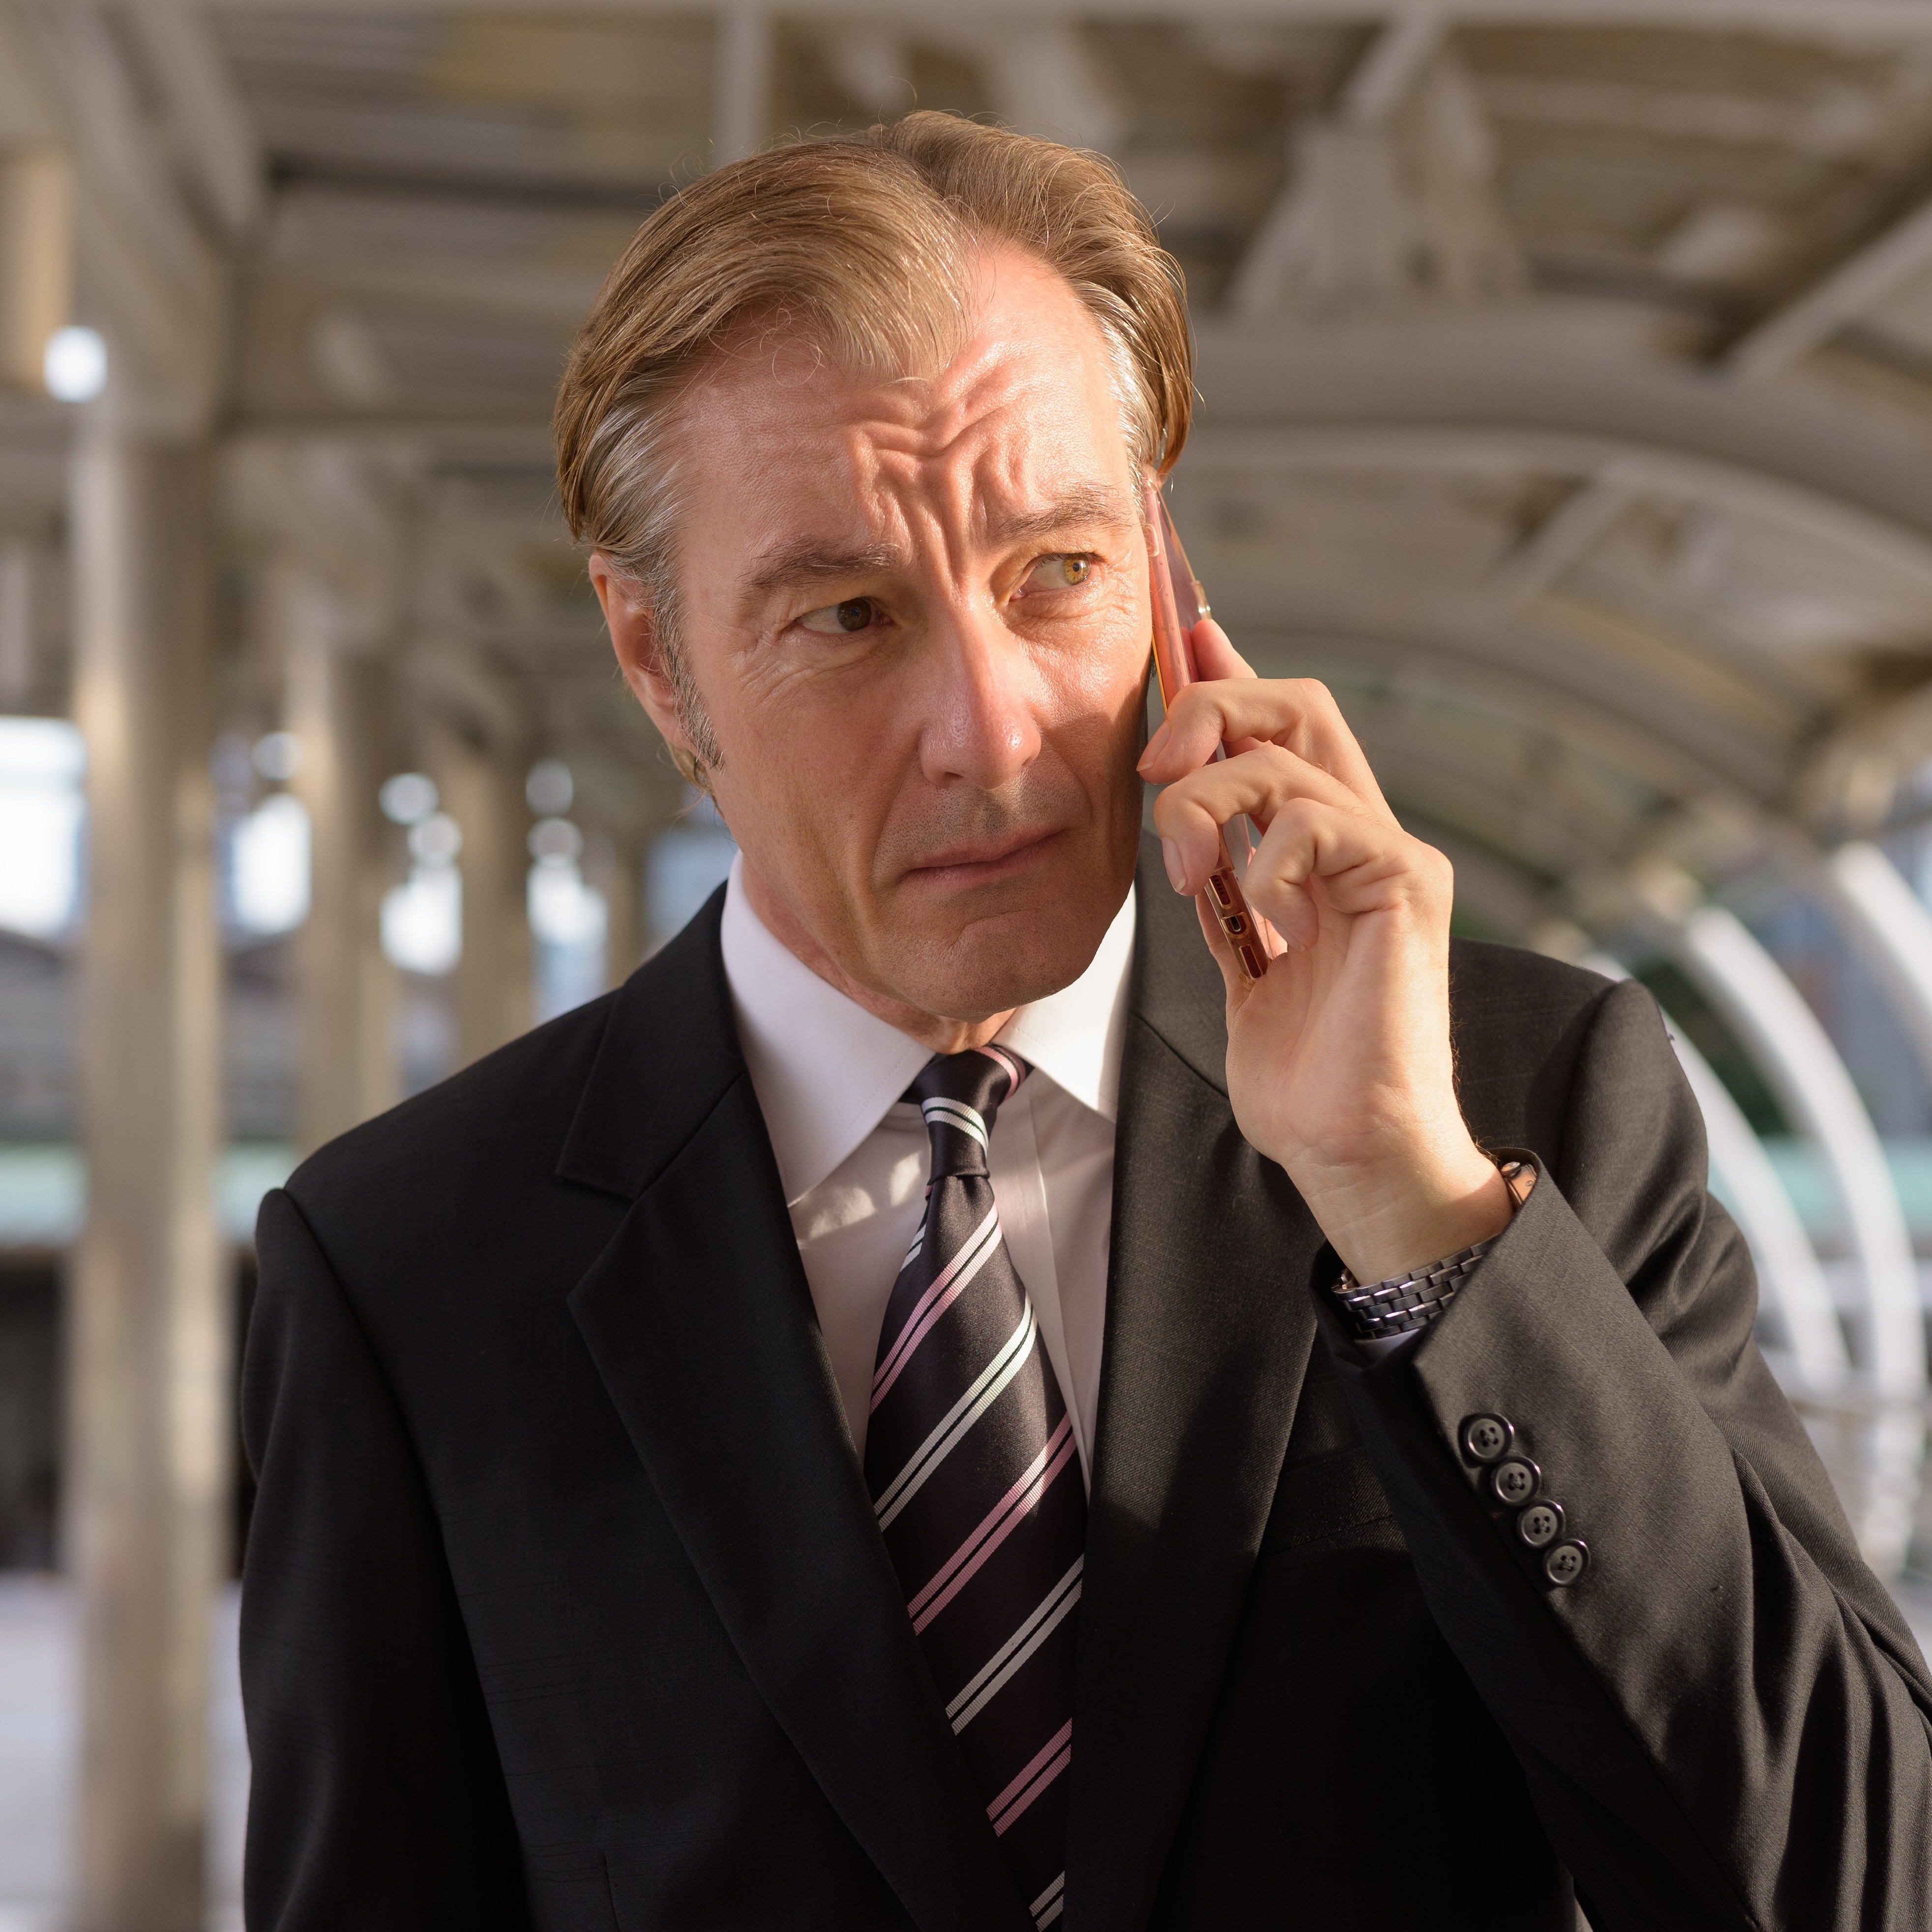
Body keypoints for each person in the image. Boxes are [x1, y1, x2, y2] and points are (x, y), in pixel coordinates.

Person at [239, 114, 1932, 1932]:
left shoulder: (1526, 1101)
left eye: (1056, 574)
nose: (993, 728)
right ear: (657, 657)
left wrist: (1414, 1216)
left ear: (1163, 563)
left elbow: (1861, 1882)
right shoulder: (415, 1267)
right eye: (844, 614)